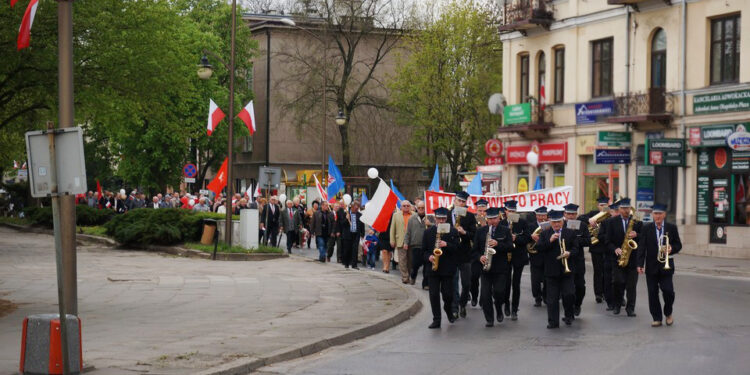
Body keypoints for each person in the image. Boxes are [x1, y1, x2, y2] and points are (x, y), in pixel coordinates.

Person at [637, 203, 682, 327]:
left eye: (660, 214)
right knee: (652, 293)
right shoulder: (646, 228)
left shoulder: (671, 228)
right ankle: (656, 318)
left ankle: (668, 312)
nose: (657, 216)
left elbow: (679, 245)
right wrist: (639, 264)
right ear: (652, 214)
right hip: (651, 266)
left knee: (668, 291)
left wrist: (672, 248)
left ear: (664, 215)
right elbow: (641, 247)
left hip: (666, 267)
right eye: (655, 214)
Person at [536, 210, 578, 328]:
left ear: (563, 221)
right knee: (552, 299)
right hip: (551, 271)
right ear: (550, 222)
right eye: (554, 222)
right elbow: (539, 248)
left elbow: (576, 248)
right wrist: (550, 241)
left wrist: (569, 253)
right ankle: (553, 322)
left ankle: (569, 315)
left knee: (569, 294)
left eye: (559, 222)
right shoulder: (545, 234)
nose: (556, 225)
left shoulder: (570, 233)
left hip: (567, 270)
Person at [471, 207, 513, 327]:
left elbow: (510, 247)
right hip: (485, 269)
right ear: (486, 219)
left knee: (499, 292)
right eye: (489, 219)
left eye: (494, 218)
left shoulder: (505, 230)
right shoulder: (480, 231)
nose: (492, 221)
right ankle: (489, 319)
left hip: (500, 268)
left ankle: (499, 308)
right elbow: (474, 251)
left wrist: (498, 244)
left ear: (499, 218)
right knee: (485, 295)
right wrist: (480, 257)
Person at [603, 198, 642, 317]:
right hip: (618, 258)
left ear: (630, 209)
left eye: (627, 208)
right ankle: (617, 305)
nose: (626, 211)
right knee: (617, 282)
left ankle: (630, 308)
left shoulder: (637, 222)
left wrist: (637, 234)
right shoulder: (611, 222)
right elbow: (607, 241)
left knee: (631, 285)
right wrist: (615, 249)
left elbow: (644, 238)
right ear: (619, 209)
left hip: (633, 259)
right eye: (623, 208)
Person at [422, 207, 460, 329]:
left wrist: (446, 244)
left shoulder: (453, 232)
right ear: (435, 218)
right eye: (439, 218)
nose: (442, 221)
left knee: (448, 295)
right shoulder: (428, 232)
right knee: (433, 295)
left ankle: (448, 310)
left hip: (448, 269)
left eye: (444, 218)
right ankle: (436, 320)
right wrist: (429, 257)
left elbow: (457, 249)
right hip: (433, 268)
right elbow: (423, 251)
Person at [500, 199, 530, 321]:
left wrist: (515, 238)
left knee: (516, 283)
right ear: (505, 211)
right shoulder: (501, 223)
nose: (511, 212)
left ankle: (514, 309)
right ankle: (506, 304)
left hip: (518, 256)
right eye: (509, 210)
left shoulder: (522, 222)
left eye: (513, 210)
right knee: (506, 282)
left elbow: (527, 238)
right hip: (505, 256)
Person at [451, 191, 476, 319]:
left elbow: (474, 235)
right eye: (459, 201)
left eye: (463, 201)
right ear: (454, 200)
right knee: (453, 282)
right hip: (451, 254)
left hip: (465, 254)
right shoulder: (446, 214)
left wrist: (464, 232)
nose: (461, 203)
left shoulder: (470, 216)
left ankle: (462, 304)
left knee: (466, 284)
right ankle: (454, 308)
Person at [563, 203, 590, 317]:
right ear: (565, 214)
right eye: (568, 214)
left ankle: (577, 304)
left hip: (578, 260)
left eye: (573, 214)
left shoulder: (583, 225)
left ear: (576, 214)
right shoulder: (561, 224)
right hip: (565, 259)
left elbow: (588, 241)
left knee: (580, 286)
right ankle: (568, 312)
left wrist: (575, 240)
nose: (571, 216)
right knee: (567, 288)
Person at [586, 197, 611, 304]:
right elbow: (580, 218)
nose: (603, 207)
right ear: (598, 206)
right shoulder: (593, 213)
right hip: (596, 248)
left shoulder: (610, 215)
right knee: (598, 271)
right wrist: (589, 220)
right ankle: (598, 294)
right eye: (601, 205)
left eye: (605, 205)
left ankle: (607, 292)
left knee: (608, 272)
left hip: (608, 247)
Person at [598, 201, 621, 311]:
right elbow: (600, 236)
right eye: (614, 211)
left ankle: (619, 298)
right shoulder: (605, 222)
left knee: (620, 279)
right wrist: (609, 237)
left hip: (623, 254)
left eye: (618, 211)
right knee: (608, 279)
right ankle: (610, 301)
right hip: (608, 254)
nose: (616, 213)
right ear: (610, 212)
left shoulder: (624, 222)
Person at [405, 200, 429, 288]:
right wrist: (406, 242)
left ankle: (425, 284)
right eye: (419, 208)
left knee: (427, 266)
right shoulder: (412, 218)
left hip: (426, 246)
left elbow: (435, 229)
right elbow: (408, 232)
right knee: (415, 264)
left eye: (423, 208)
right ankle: (413, 276)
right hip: (415, 245)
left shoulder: (429, 218)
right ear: (416, 208)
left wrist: (430, 224)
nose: (421, 210)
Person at [470, 199, 489, 306]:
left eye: (484, 211)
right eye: (480, 211)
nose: (482, 213)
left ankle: (483, 300)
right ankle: (474, 296)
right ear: (476, 210)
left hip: (486, 254)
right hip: (475, 254)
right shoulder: (472, 221)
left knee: (485, 279)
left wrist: (484, 225)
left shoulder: (490, 221)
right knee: (474, 278)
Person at [528, 206, 549, 307]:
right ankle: (537, 297)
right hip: (535, 255)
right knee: (535, 279)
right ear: (536, 216)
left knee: (547, 278)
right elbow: (526, 237)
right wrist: (531, 236)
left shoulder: (549, 225)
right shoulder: (531, 225)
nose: (542, 217)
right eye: (540, 215)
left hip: (546, 254)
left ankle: (546, 296)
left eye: (544, 215)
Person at [390, 200, 413, 283]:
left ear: (410, 207)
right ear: (401, 207)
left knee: (410, 260)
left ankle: (409, 275)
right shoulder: (396, 215)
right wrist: (392, 240)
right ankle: (405, 277)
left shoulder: (414, 215)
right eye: (404, 206)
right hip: (400, 240)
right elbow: (392, 228)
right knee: (402, 260)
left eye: (407, 206)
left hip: (411, 241)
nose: (406, 207)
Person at [341, 201, 365, 269]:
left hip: (356, 234)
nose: (356, 208)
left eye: (357, 207)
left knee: (355, 250)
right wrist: (346, 218)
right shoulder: (346, 213)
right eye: (355, 207)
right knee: (347, 249)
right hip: (348, 234)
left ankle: (354, 265)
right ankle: (347, 263)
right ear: (351, 206)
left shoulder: (359, 215)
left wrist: (362, 234)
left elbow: (361, 225)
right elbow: (342, 224)